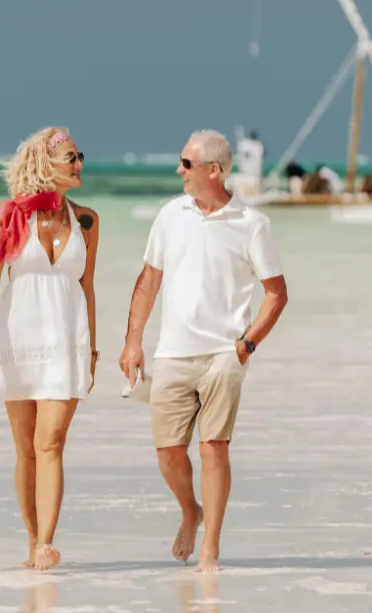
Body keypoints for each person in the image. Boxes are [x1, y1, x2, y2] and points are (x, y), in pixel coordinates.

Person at [119, 129, 288, 572]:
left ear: (213, 171)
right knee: (168, 452)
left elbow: (276, 294)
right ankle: (190, 510)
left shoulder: (253, 225)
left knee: (214, 447)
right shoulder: (170, 215)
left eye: (186, 164)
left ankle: (210, 547)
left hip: (224, 356)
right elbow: (148, 281)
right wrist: (133, 341)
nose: (179, 170)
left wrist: (245, 346)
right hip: (171, 353)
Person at [0, 126, 99, 571]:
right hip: (16, 338)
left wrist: (92, 349)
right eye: (71, 157)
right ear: (46, 163)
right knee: (26, 446)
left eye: (80, 157)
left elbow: (87, 287)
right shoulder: (10, 216)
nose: (79, 165)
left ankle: (47, 543)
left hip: (67, 339)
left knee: (51, 440)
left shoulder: (89, 220)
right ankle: (33, 540)